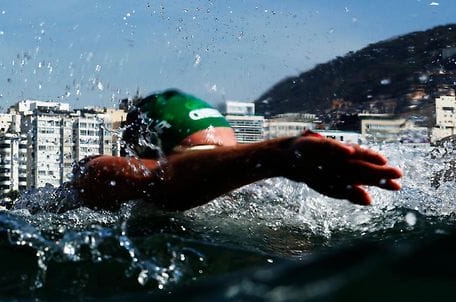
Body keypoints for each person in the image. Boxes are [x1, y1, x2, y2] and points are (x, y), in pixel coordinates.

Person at [69, 89, 403, 212]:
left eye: (232, 152)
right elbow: (161, 184)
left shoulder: (267, 196)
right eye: (208, 156)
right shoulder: (96, 174)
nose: (232, 173)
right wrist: (277, 157)